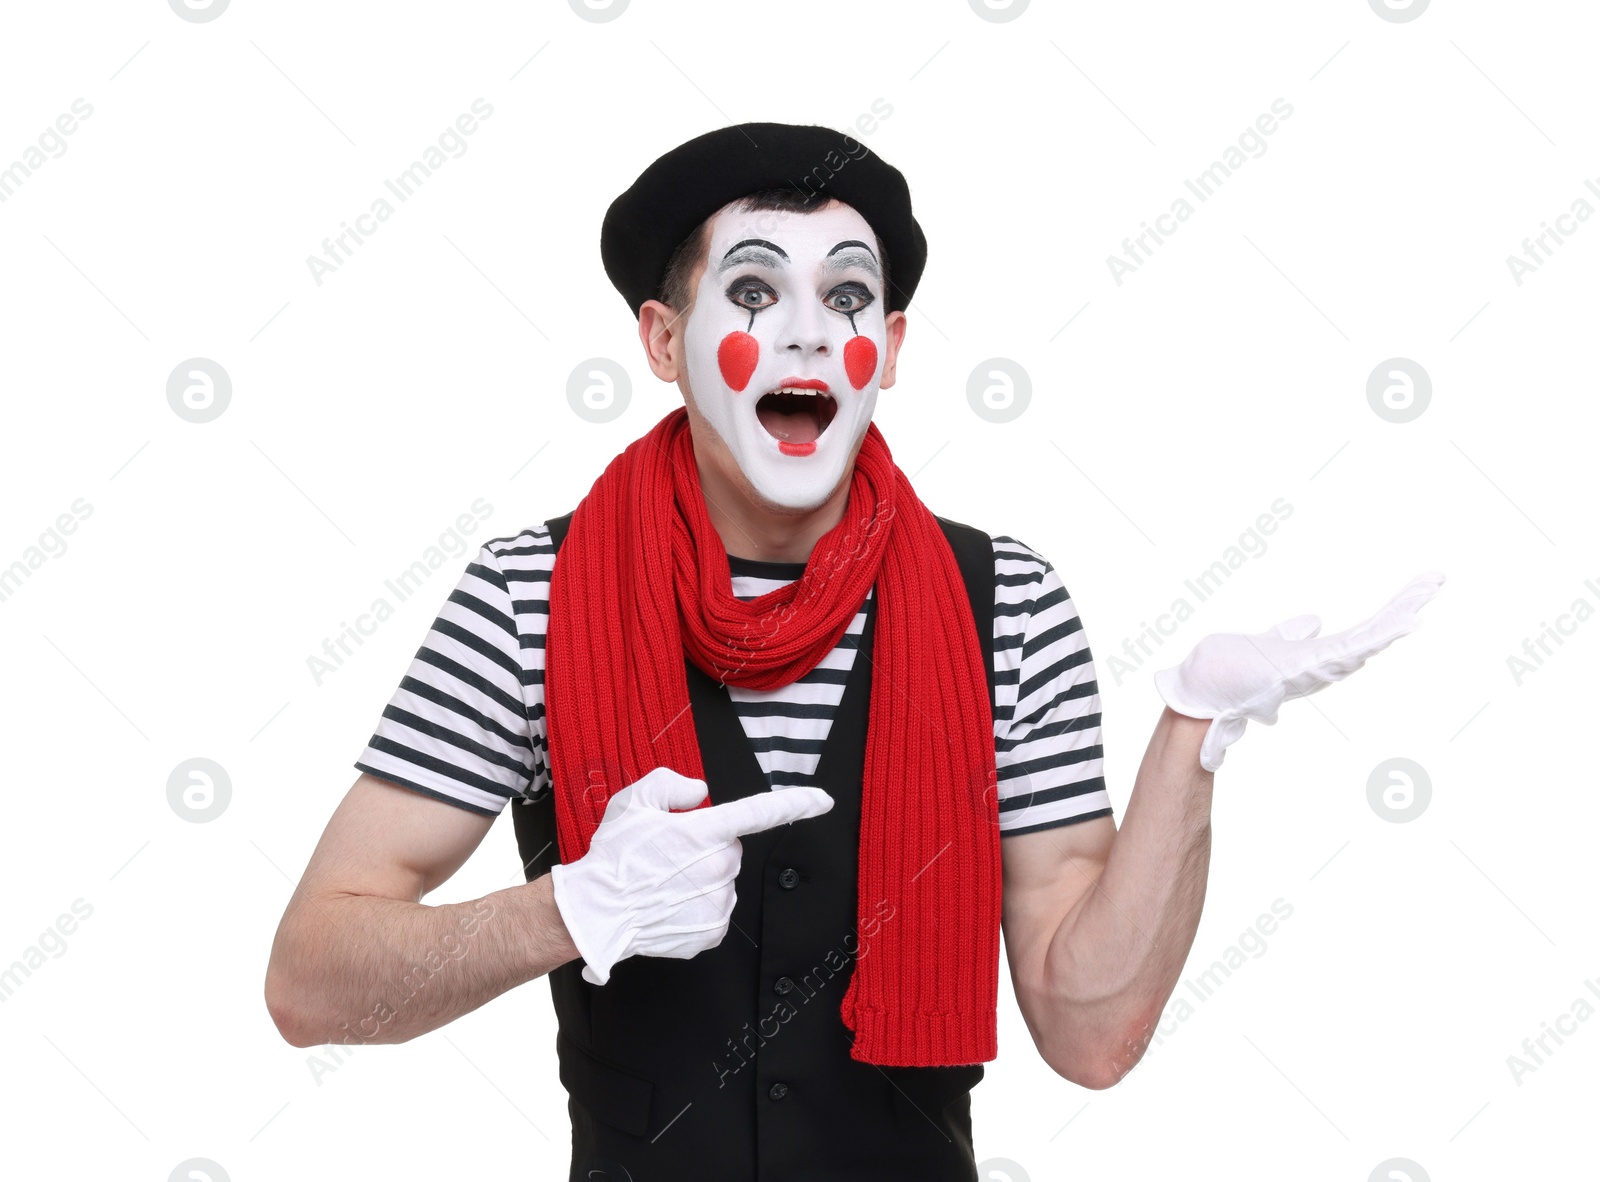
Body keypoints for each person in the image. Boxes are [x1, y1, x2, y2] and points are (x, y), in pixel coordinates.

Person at [264, 122, 1443, 1182]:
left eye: (844, 301)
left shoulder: (1007, 607)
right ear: (665, 340)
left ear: (888, 344)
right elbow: (310, 982)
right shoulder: (532, 593)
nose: (806, 335)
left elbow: (1090, 1032)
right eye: (756, 291)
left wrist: (1191, 732)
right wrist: (568, 909)